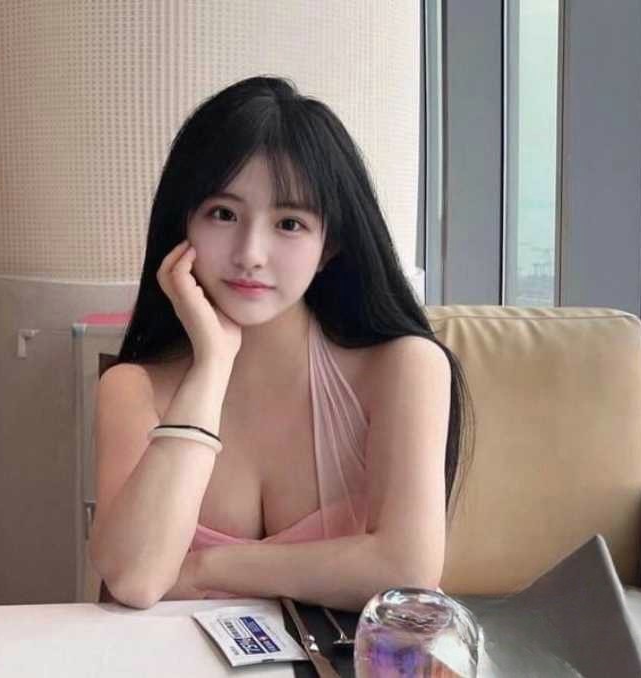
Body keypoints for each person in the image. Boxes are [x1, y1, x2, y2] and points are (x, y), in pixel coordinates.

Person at [89, 75, 474, 612]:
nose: (250, 253)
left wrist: (201, 568)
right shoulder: (132, 388)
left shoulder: (403, 368)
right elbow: (134, 579)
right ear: (184, 225)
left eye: (289, 223)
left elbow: (406, 570)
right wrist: (211, 365)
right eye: (223, 214)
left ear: (329, 245)